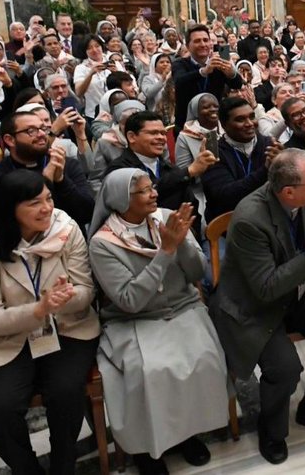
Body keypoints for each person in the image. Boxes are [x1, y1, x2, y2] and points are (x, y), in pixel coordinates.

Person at [209, 149, 305, 465]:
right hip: (253, 305)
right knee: (286, 368)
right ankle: (271, 430)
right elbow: (266, 287)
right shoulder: (250, 218)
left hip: (297, 290)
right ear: (288, 191)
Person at [88, 169, 229, 474]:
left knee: (204, 358)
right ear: (121, 200)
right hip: (135, 320)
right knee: (149, 371)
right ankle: (146, 451)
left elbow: (195, 273)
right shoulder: (103, 243)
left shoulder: (167, 218)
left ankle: (187, 434)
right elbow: (129, 300)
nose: (154, 193)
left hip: (181, 307)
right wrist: (165, 251)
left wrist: (182, 244)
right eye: (144, 191)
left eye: (152, 187)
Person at [0, 171, 100, 475]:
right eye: (34, 203)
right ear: (9, 208)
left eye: (49, 199)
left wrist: (66, 298)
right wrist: (38, 309)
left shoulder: (66, 229)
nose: (47, 208)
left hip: (67, 329)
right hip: (8, 339)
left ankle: (64, 465)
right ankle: (27, 469)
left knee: (65, 391)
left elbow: (85, 290)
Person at [0, 112, 96, 228]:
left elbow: (87, 214)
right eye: (31, 131)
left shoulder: (66, 165)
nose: (41, 134)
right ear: (10, 140)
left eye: (43, 128)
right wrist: (45, 181)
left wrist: (61, 181)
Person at [202, 97, 282, 220]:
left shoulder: (270, 145)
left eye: (252, 117)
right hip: (227, 224)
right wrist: (265, 170)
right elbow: (225, 195)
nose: (249, 123)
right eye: (240, 119)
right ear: (224, 124)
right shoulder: (213, 152)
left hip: (268, 218)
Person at [172, 26, 242, 128]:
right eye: (197, 41)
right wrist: (204, 71)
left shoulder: (218, 62)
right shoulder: (179, 64)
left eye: (205, 40)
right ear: (187, 45)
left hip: (215, 121)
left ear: (210, 43)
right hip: (186, 124)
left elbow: (237, 84)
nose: (203, 44)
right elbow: (180, 81)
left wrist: (231, 73)